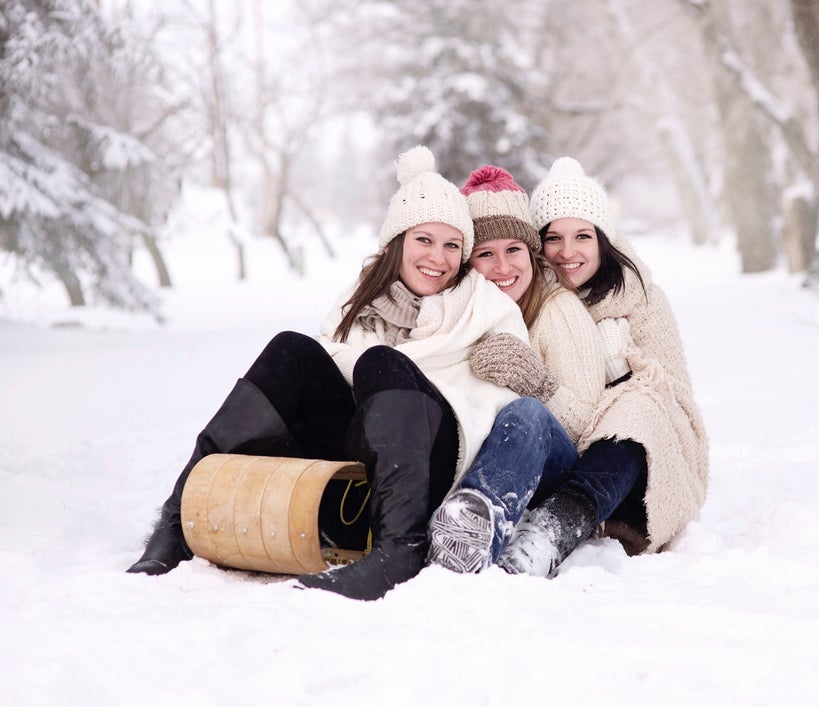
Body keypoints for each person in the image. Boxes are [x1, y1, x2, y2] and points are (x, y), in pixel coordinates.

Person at [127, 146, 528, 601]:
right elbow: (332, 371)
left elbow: (499, 412)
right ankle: (176, 522)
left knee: (380, 362)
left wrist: (388, 373)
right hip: (358, 469)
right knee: (292, 349)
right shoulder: (360, 302)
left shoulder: (485, 308)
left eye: (452, 245)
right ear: (396, 243)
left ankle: (401, 549)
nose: (438, 257)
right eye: (424, 240)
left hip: (435, 467)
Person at [497, 156, 710, 577]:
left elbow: (676, 400)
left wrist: (622, 374)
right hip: (560, 449)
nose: (568, 252)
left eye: (582, 236)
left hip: (632, 463)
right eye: (553, 238)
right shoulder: (528, 297)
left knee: (640, 407)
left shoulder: (640, 298)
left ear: (602, 240)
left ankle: (549, 535)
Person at [425, 165, 605, 573]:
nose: (503, 267)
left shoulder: (558, 312)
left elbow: (590, 430)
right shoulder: (463, 312)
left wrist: (536, 383)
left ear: (531, 253)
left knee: (526, 413)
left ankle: (474, 526)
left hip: (553, 470)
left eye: (513, 250)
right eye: (486, 254)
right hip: (480, 456)